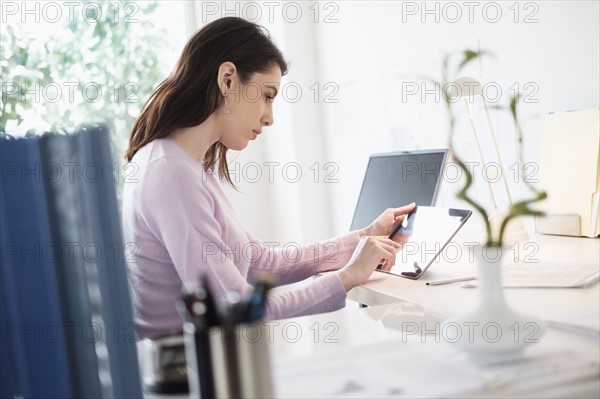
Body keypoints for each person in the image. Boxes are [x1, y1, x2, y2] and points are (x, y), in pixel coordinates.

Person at [122, 17, 415, 339]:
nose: (270, 117)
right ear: (228, 79)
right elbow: (236, 309)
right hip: (185, 376)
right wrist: (348, 277)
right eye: (267, 95)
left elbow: (263, 264)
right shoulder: (171, 173)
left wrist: (364, 237)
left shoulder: (185, 166)